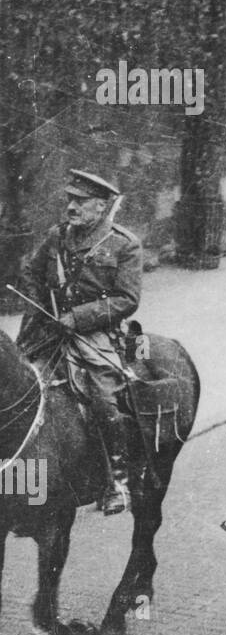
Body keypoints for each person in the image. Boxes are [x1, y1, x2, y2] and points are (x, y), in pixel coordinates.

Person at [18, 169, 142, 515]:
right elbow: (30, 271)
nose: (72, 206)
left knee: (103, 397)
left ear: (102, 207)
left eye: (81, 201)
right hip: (48, 327)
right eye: (70, 199)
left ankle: (117, 479)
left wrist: (76, 318)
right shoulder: (57, 236)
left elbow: (126, 299)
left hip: (95, 333)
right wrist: (41, 304)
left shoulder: (123, 243)